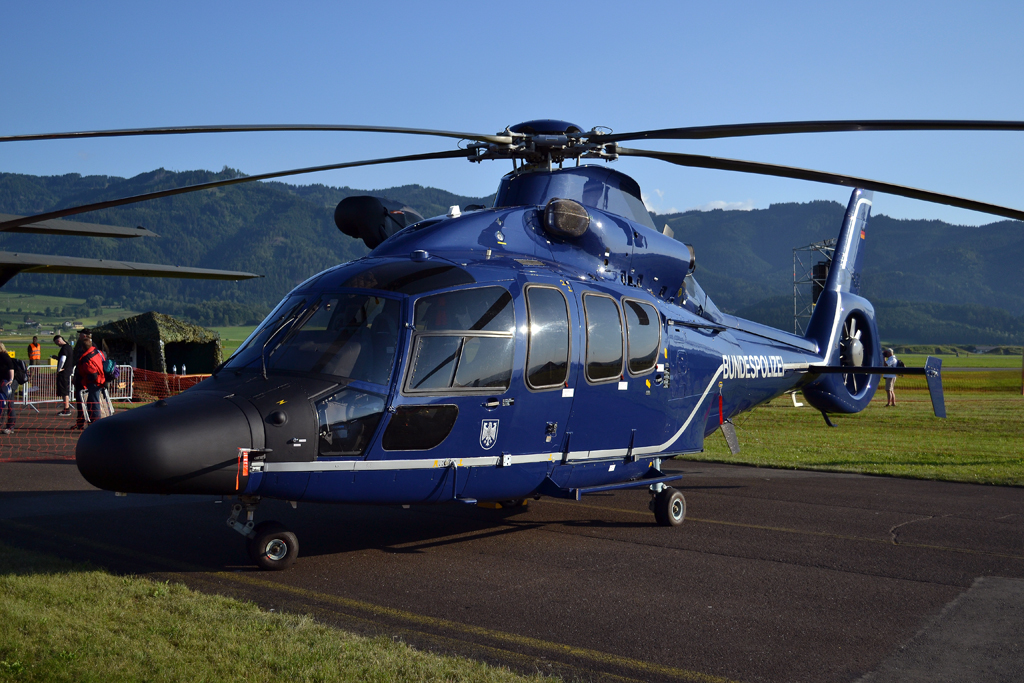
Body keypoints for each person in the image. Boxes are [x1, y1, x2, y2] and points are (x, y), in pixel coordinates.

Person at [77, 335, 107, 425]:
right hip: (102, 379)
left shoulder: (86, 358)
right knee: (93, 401)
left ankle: (96, 422)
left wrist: (85, 378)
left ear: (82, 347)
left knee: (94, 402)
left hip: (94, 382)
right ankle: (94, 420)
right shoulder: (98, 352)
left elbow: (92, 373)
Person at [71, 329, 92, 429]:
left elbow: (78, 362)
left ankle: (84, 422)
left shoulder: (83, 347)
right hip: (85, 377)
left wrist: (76, 376)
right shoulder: (93, 346)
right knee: (82, 401)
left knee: (83, 401)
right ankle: (81, 421)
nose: (79, 335)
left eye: (81, 334)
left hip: (84, 377)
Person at [52, 335, 73, 416]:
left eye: (56, 343)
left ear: (58, 341)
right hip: (68, 371)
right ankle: (66, 408)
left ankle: (66, 409)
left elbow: (63, 359)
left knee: (64, 391)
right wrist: (57, 358)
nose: (57, 345)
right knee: (65, 390)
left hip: (64, 372)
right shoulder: (69, 347)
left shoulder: (64, 349)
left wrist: (59, 369)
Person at [0, 343, 16, 434]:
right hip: (3, 382)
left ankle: (10, 427)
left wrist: (11, 379)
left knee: (9, 404)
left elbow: (11, 367)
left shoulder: (3, 356)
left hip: (7, 383)